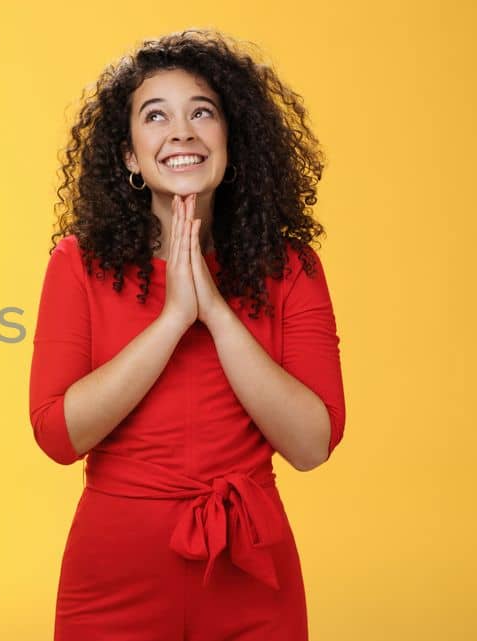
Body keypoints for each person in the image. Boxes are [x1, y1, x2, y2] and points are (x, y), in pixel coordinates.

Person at [28, 29, 346, 641]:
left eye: (202, 111)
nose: (181, 132)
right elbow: (57, 435)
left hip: (252, 572)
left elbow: (311, 444)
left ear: (232, 142)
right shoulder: (77, 264)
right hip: (114, 577)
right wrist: (174, 318)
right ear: (128, 156)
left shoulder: (292, 268)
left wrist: (217, 312)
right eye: (156, 116)